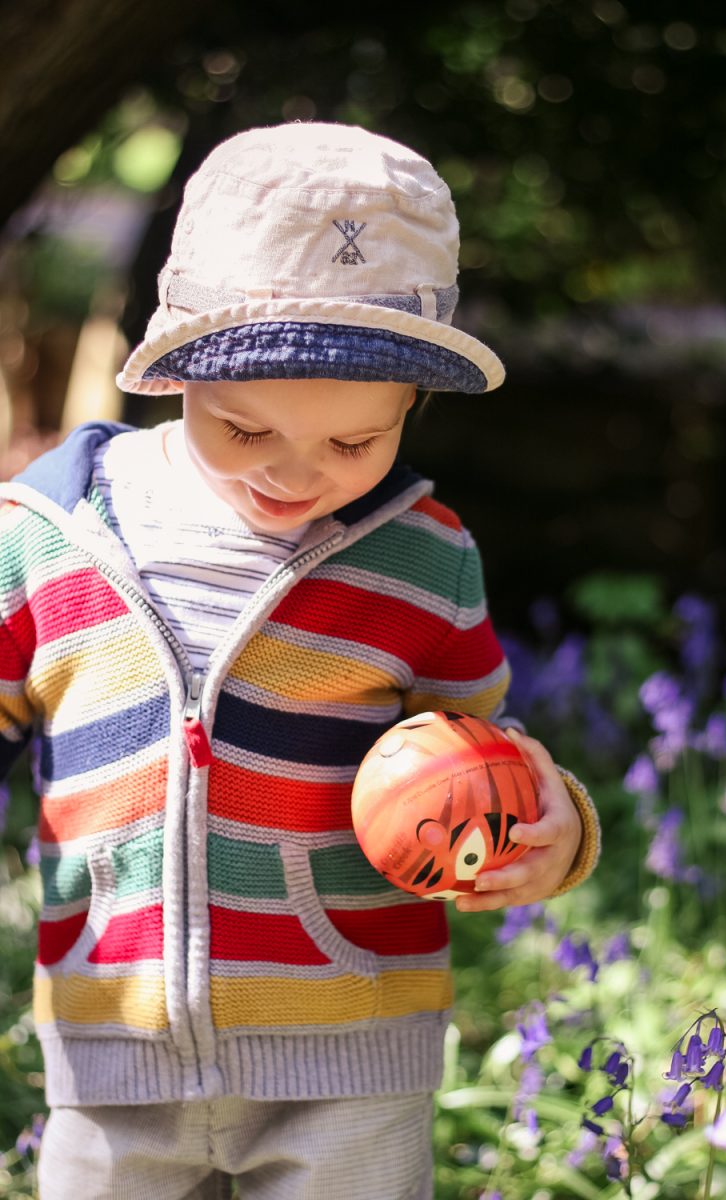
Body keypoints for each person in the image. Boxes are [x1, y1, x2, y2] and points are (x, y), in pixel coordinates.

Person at [0, 122, 600, 1200]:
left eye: (352, 444)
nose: (292, 474)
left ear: (411, 404)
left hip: (352, 1053)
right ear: (176, 370)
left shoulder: (424, 559)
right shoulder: (45, 539)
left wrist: (547, 822)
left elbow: (483, 751)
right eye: (245, 430)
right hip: (110, 1047)